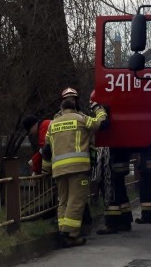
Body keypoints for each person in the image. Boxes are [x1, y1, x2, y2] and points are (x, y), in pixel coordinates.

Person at [42, 92, 109, 247]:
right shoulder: (80, 119)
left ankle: (62, 232)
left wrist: (46, 169)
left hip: (58, 169)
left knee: (63, 201)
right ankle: (69, 234)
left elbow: (46, 149)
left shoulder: (53, 124)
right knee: (76, 200)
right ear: (75, 107)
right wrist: (98, 108)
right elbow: (101, 123)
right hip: (78, 168)